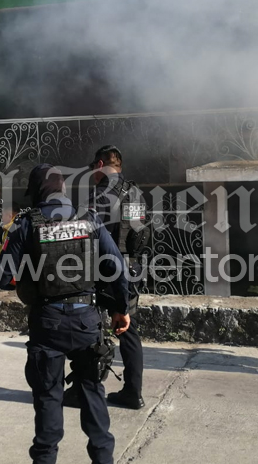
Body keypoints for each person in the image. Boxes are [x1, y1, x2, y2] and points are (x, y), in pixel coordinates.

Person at [0, 163, 131, 464]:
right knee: (92, 391)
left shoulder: (25, 224)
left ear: (37, 191)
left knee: (47, 398)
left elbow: (2, 278)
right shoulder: (89, 218)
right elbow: (117, 267)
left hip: (47, 323)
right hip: (87, 321)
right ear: (63, 188)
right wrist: (121, 309)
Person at [69, 144, 148, 410]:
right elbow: (139, 234)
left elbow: (85, 237)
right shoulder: (135, 193)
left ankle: (83, 390)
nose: (92, 172)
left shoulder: (97, 196)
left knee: (88, 329)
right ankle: (133, 392)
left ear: (100, 165)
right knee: (129, 331)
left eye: (93, 167)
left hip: (102, 271)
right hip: (131, 269)